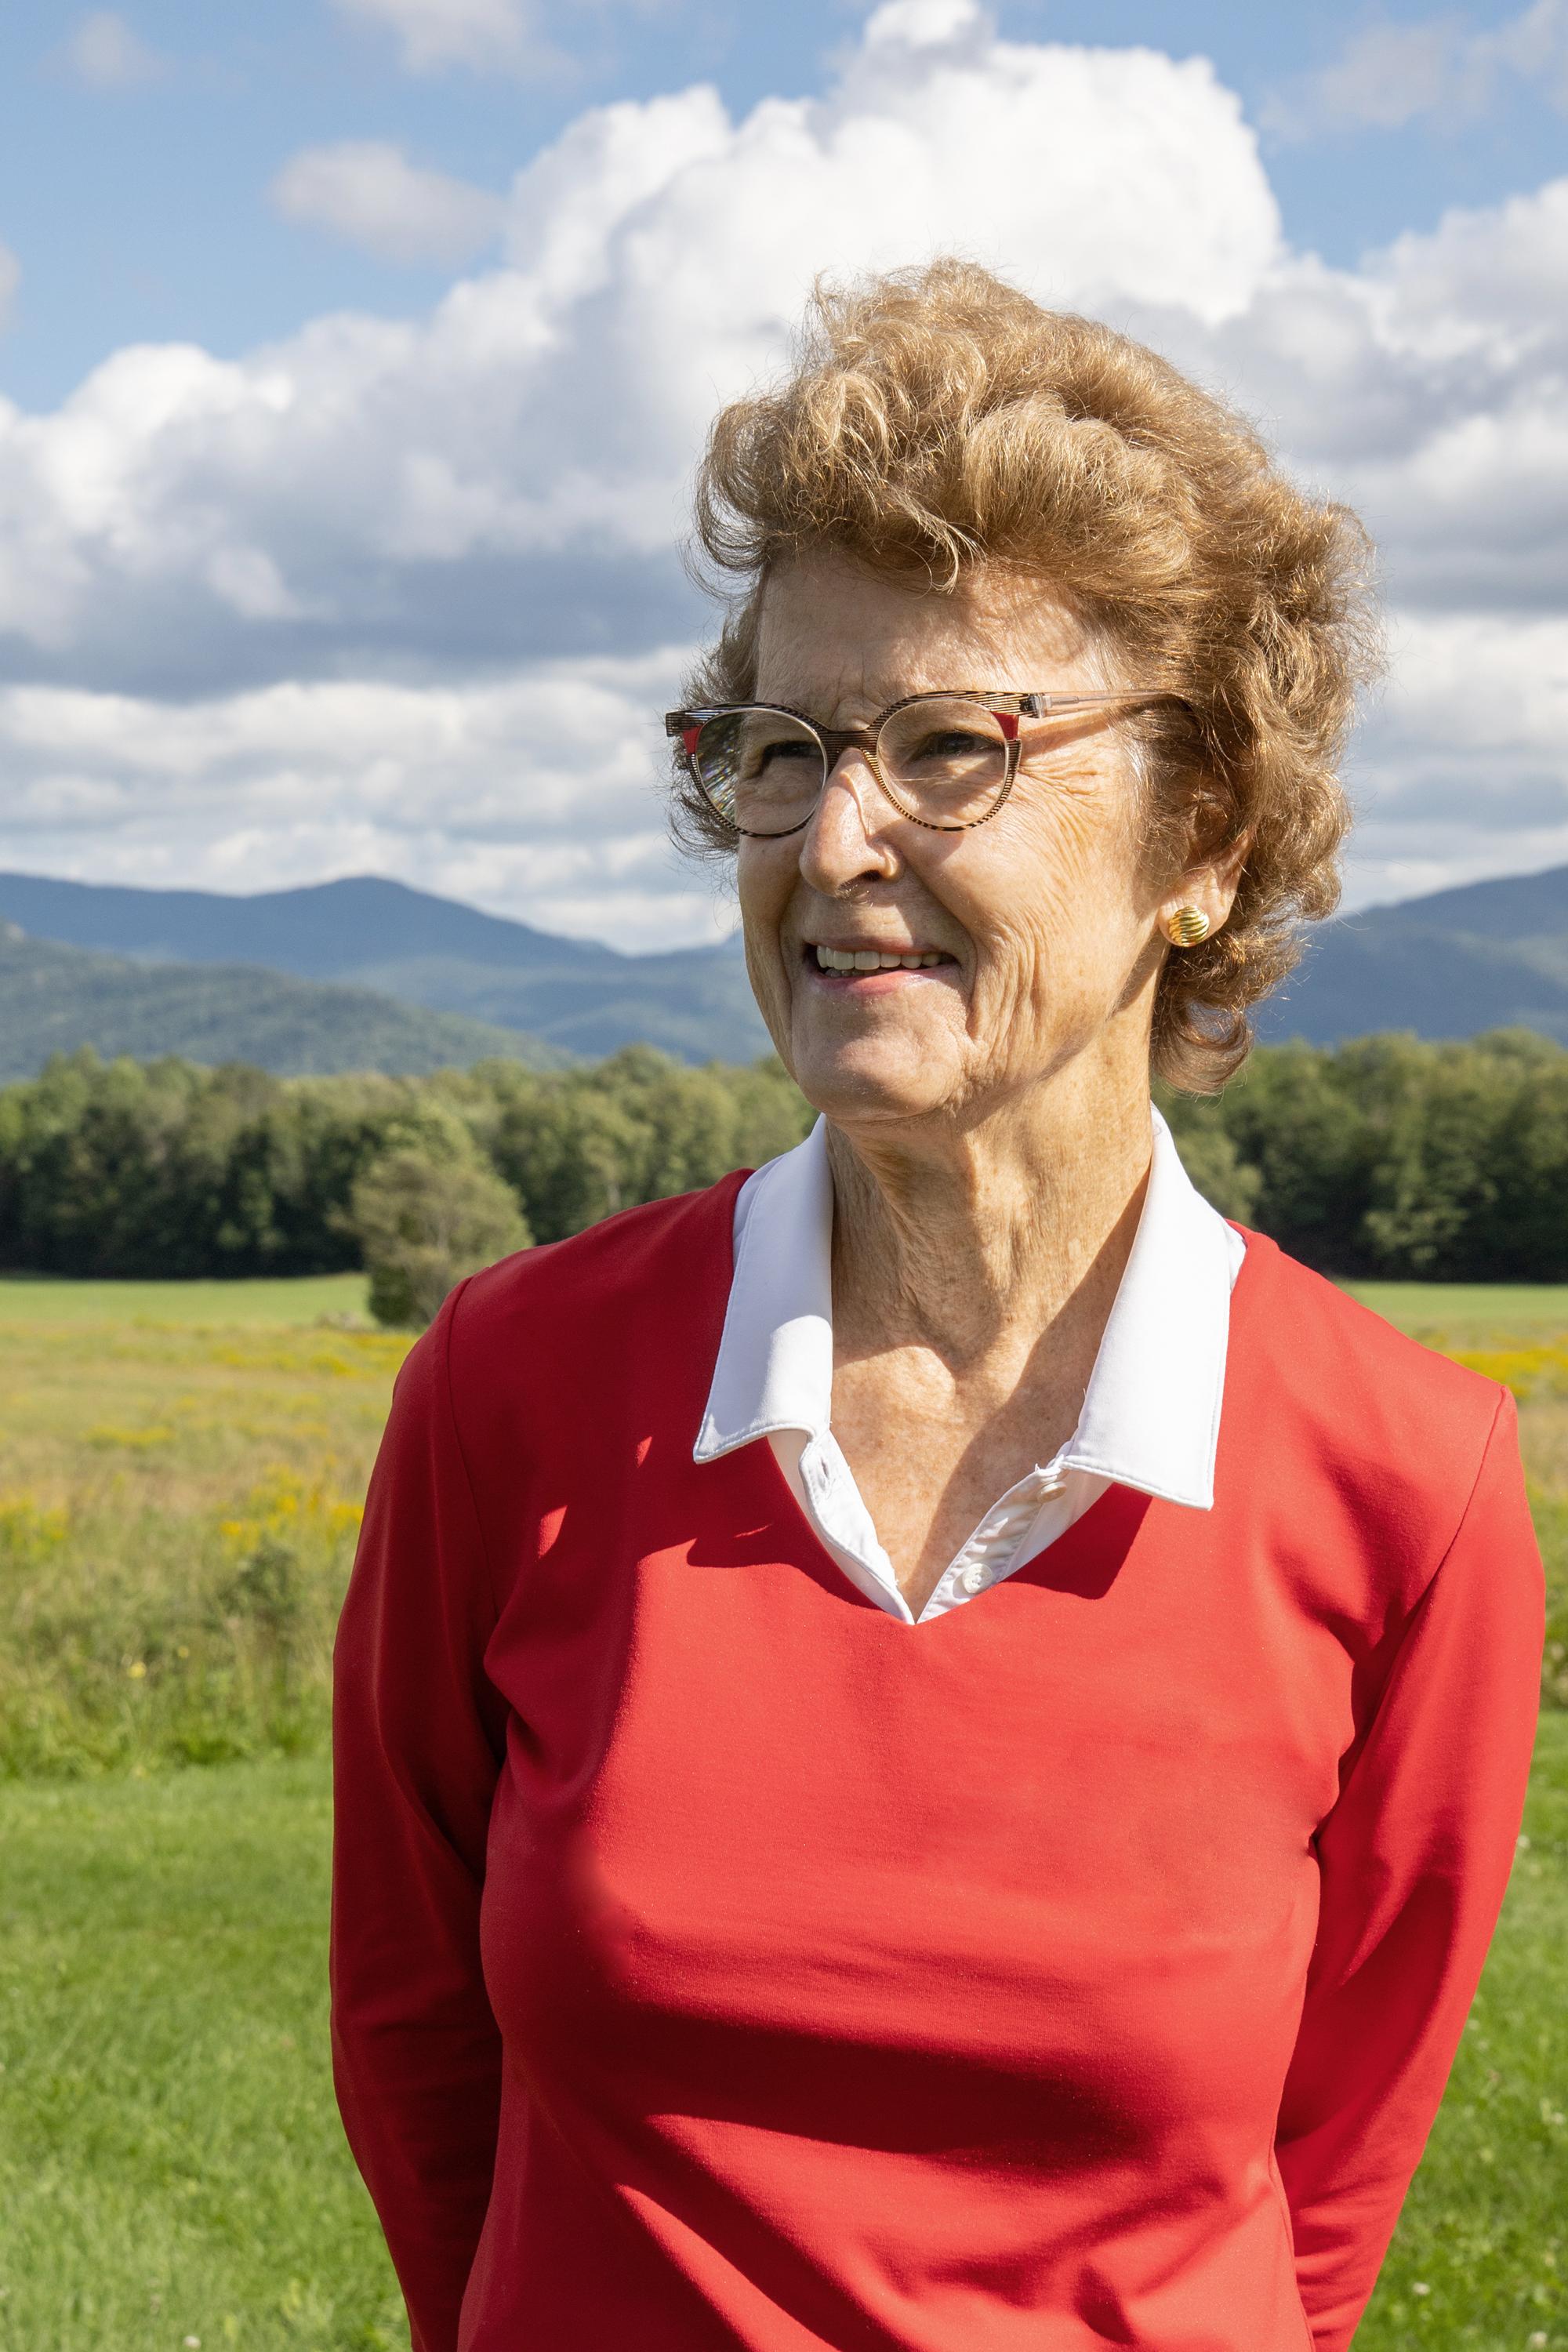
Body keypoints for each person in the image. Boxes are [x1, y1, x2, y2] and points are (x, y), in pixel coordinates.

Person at [330, 262, 1544, 2352]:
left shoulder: (1403, 1487)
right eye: (784, 747)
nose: (833, 838)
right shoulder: (514, 1388)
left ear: (1206, 838)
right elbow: (417, 2050)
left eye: (950, 749)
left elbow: (1325, 2197)